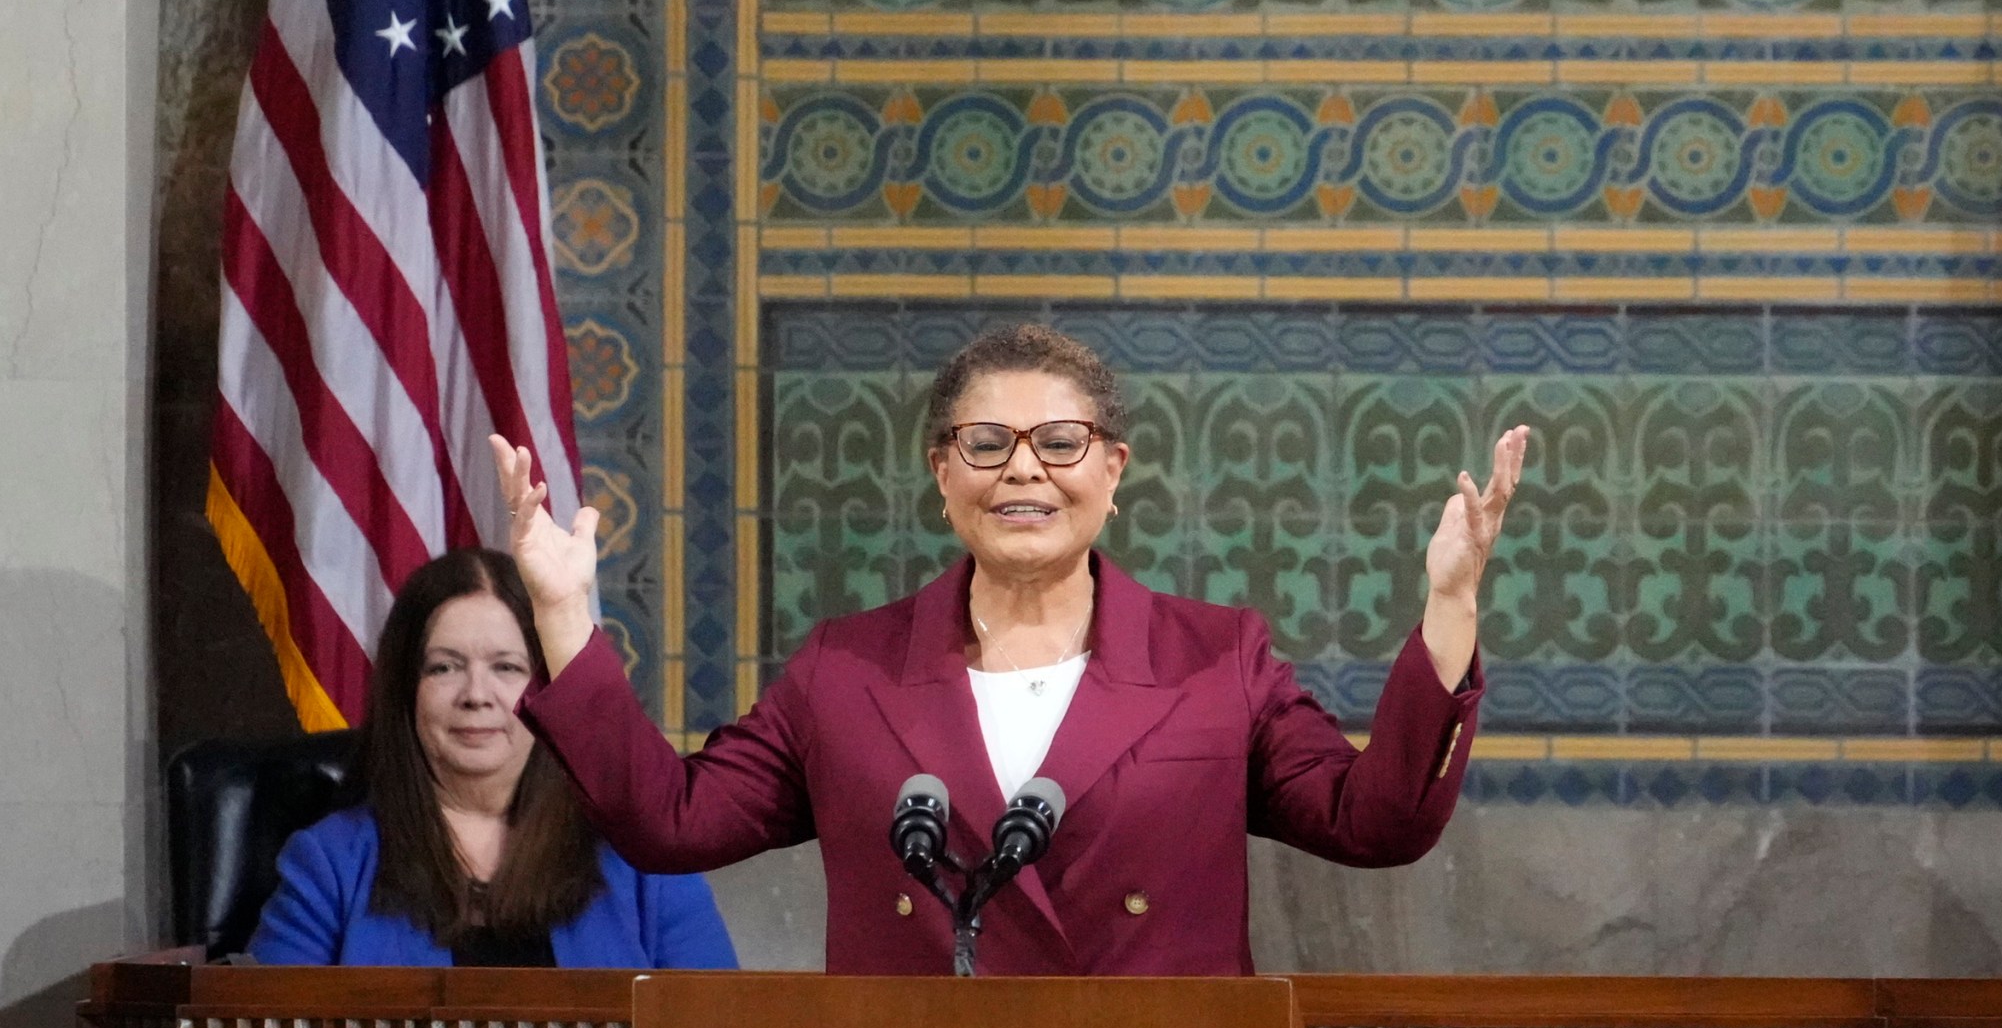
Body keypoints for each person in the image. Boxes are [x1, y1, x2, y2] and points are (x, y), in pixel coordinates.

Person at [496, 323, 1530, 975]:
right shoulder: (847, 671)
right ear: (942, 475)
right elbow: (670, 822)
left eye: (1060, 443)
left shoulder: (1218, 660)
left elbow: (1377, 823)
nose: (1022, 471)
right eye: (985, 444)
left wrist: (1448, 603)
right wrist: (560, 612)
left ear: (1113, 469)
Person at [249, 548, 738, 969]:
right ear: (406, 692)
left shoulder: (643, 855)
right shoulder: (328, 864)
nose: (476, 694)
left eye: (507, 667)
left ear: (550, 689)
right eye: (445, 667)